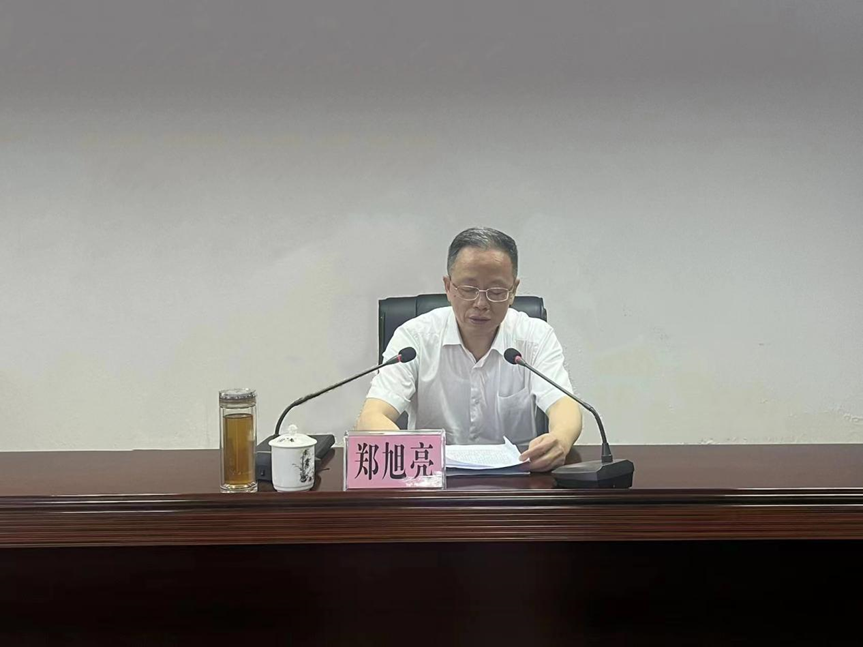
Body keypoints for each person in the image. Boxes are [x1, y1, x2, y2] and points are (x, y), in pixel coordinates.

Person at [356, 227, 582, 471]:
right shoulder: (414, 338)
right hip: (432, 479)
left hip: (516, 480)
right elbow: (371, 416)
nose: (481, 303)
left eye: (496, 292)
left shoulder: (534, 337)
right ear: (448, 287)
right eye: (468, 289)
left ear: (513, 292)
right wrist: (410, 452)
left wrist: (560, 439)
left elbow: (564, 405)